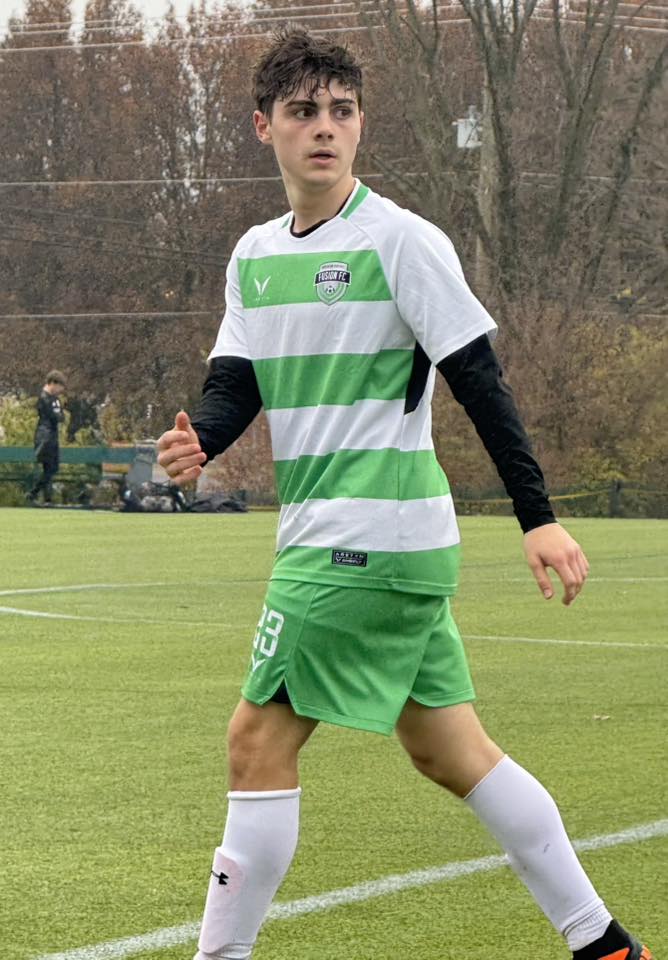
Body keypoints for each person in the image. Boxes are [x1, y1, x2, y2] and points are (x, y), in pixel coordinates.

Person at [156, 29, 652, 960]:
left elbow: (480, 382)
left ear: (360, 125)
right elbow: (236, 382)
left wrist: (539, 518)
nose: (325, 128)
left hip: (361, 538)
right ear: (265, 127)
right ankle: (607, 945)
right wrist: (201, 442)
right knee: (450, 751)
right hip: (381, 548)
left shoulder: (401, 241)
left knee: (256, 741)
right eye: (304, 111)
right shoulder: (253, 254)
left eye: (341, 111)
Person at [28, 369, 66, 505]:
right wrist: (58, 415)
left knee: (52, 468)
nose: (61, 390)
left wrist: (59, 415)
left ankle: (43, 497)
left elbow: (61, 416)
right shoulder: (43, 398)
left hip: (53, 435)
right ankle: (36, 494)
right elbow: (53, 415)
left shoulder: (55, 399)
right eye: (59, 386)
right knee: (49, 468)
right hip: (45, 436)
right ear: (52, 383)